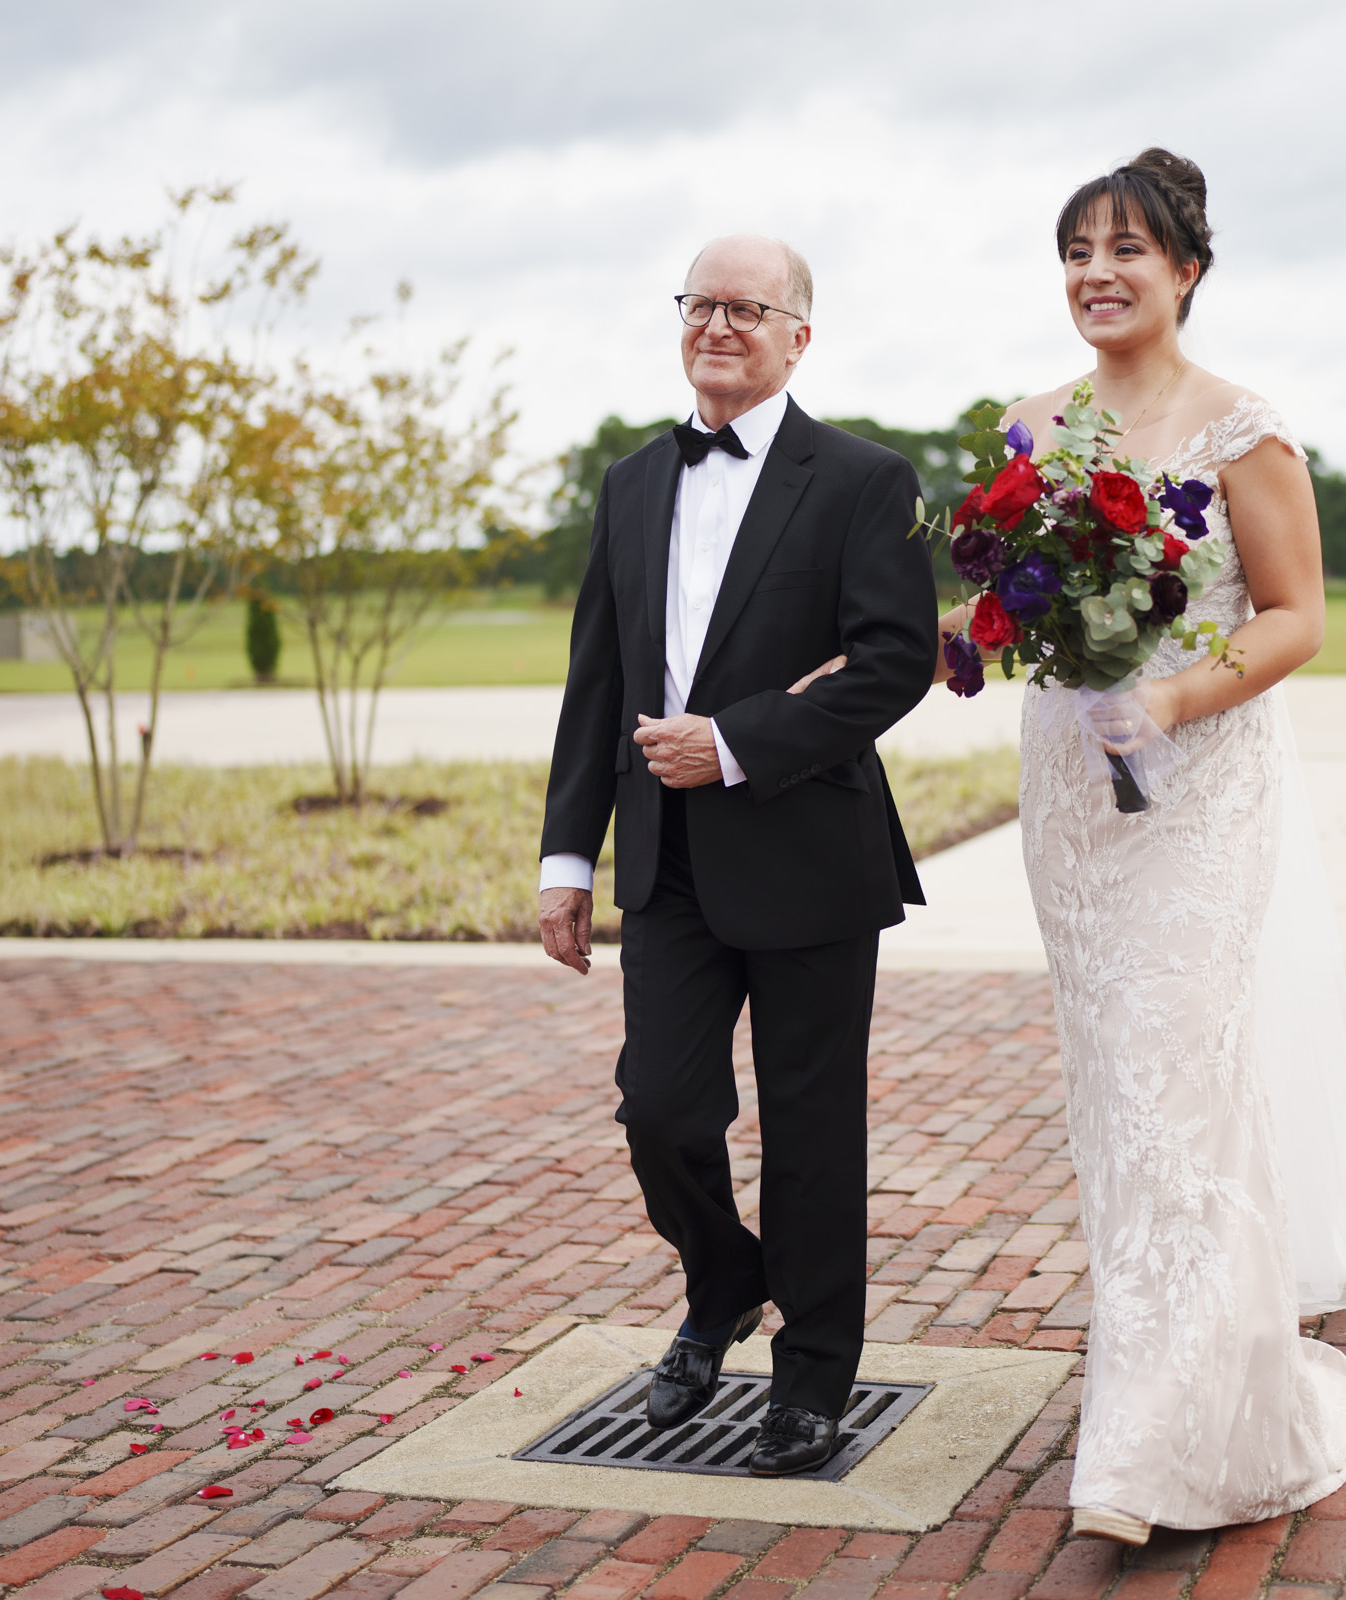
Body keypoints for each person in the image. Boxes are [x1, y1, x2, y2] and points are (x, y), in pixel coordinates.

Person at [943, 151, 1346, 1542]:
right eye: (1077, 248)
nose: (1098, 271)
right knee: (1118, 1097)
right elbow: (1000, 602)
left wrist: (1169, 696)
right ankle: (1192, 1377)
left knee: (1181, 1087)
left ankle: (1162, 1453)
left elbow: (1294, 614)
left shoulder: (1244, 426)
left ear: (1188, 269)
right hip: (1076, 800)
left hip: (1200, 790)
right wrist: (994, 629)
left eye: (1127, 248)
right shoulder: (1034, 426)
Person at [538, 235, 936, 1478]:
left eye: (748, 308)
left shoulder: (865, 480)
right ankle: (724, 1285)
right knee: (661, 1109)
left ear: (797, 336)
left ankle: (814, 1372)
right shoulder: (628, 482)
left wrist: (737, 742)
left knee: (813, 1130)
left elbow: (893, 659)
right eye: (700, 303)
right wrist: (566, 856)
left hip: (812, 853)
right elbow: (597, 678)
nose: (719, 324)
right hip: (667, 862)